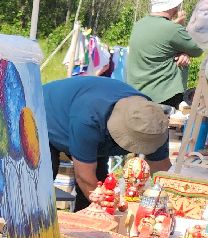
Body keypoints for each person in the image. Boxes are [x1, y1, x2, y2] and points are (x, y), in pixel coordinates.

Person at [42, 75, 170, 210]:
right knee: (41, 185)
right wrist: (109, 213)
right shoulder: (89, 119)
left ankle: (85, 228)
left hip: (87, 117)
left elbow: (161, 173)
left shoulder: (153, 122)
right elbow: (85, 177)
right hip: (45, 113)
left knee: (100, 182)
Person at [126, 0, 200, 108]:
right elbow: (198, 49)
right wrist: (185, 50)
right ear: (173, 6)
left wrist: (184, 52)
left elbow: (161, 43)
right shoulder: (173, 29)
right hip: (163, 97)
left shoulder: (138, 25)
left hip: (136, 94)